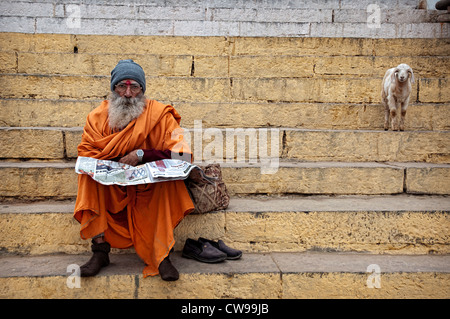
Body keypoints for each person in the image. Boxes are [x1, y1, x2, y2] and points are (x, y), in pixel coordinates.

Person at [74, 59, 194, 281]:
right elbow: (87, 152)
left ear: (142, 90)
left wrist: (143, 155)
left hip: (147, 183)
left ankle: (161, 255)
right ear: (113, 89)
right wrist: (109, 162)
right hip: (113, 183)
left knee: (168, 184)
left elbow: (182, 154)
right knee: (88, 178)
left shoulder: (160, 114)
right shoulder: (97, 117)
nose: (128, 93)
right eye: (122, 86)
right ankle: (100, 252)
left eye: (134, 87)